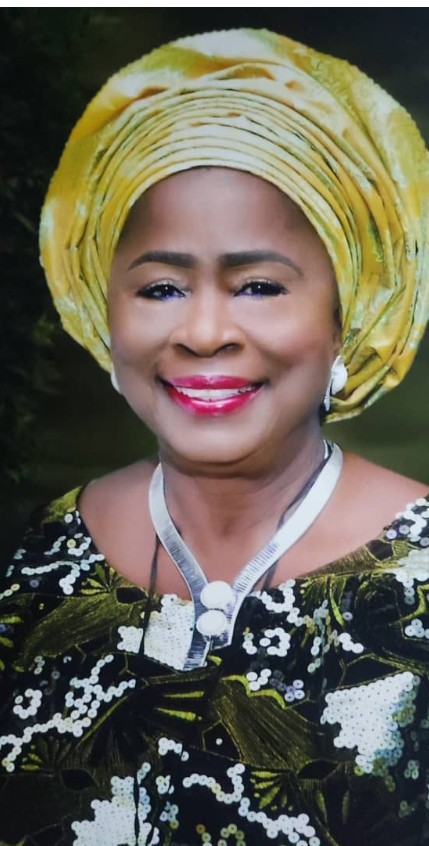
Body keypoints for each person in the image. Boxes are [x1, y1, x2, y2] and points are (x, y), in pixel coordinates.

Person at [1, 28, 429, 846]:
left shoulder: (418, 578)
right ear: (104, 312)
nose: (202, 332)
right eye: (160, 288)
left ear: (345, 316)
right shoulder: (50, 553)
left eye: (258, 285)